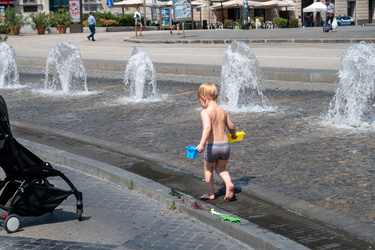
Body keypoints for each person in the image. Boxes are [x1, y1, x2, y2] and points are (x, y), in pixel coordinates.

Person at [196, 82, 236, 201]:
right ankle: (229, 184)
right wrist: (233, 135)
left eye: (200, 101)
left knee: (208, 169)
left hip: (212, 147)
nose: (201, 104)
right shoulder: (223, 111)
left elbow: (207, 128)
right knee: (221, 169)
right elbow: (232, 126)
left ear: (204, 98)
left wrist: (202, 143)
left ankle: (210, 194)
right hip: (225, 146)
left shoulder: (205, 112)